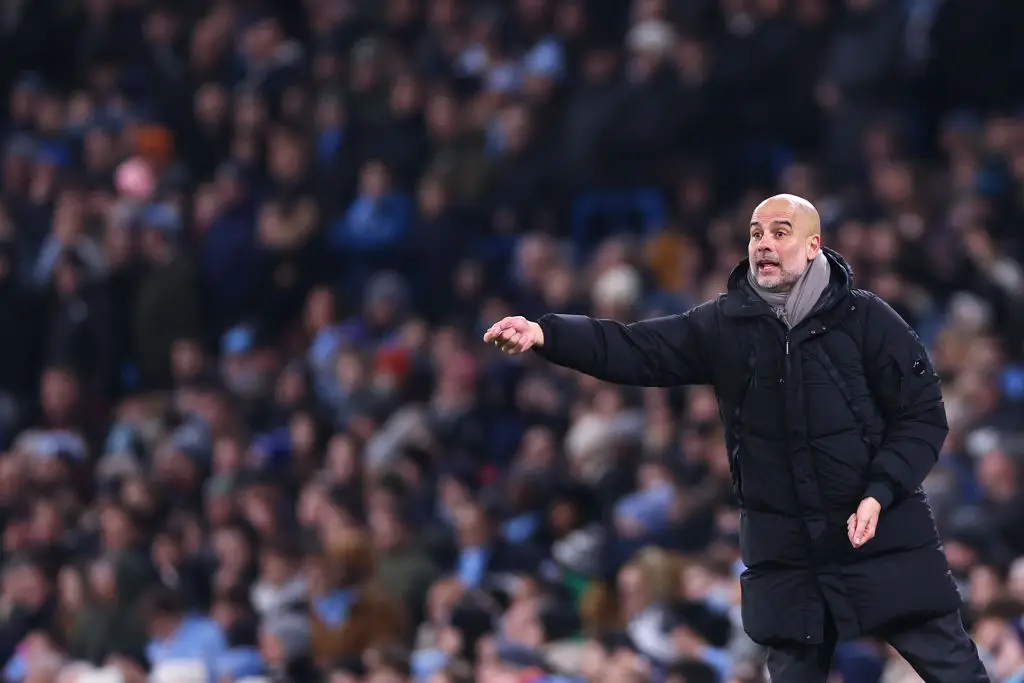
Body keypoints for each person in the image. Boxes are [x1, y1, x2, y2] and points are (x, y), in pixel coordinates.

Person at [483, 194, 992, 683]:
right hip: (786, 555)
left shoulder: (867, 319)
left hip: (882, 538)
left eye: (779, 231)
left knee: (955, 670)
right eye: (755, 234)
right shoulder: (724, 324)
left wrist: (880, 492)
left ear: (814, 246)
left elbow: (923, 416)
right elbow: (637, 348)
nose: (763, 243)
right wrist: (548, 334)